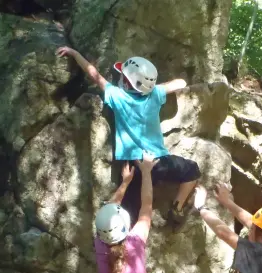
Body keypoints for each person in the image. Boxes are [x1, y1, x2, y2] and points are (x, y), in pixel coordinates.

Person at [56, 46, 201, 231]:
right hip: (160, 162)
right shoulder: (155, 94)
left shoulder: (117, 96)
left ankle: (121, 244)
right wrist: (157, 86)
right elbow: (180, 83)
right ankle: (177, 207)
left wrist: (75, 53)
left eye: (123, 77)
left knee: (128, 214)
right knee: (192, 171)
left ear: (126, 83)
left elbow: (94, 75)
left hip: (134, 168)